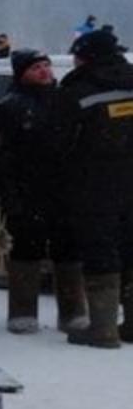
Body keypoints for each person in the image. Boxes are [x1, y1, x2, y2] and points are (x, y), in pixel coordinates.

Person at [0, 50, 84, 334]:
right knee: (26, 249)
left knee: (68, 249)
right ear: (22, 73)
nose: (44, 71)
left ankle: (73, 313)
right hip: (27, 189)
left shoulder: (66, 100)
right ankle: (22, 312)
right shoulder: (8, 107)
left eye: (46, 66)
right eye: (36, 68)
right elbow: (0, 158)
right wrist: (9, 195)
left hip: (65, 189)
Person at [54, 26, 133, 348]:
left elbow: (57, 142)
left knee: (101, 251)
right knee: (131, 249)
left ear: (85, 58)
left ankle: (102, 328)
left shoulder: (78, 92)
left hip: (94, 186)